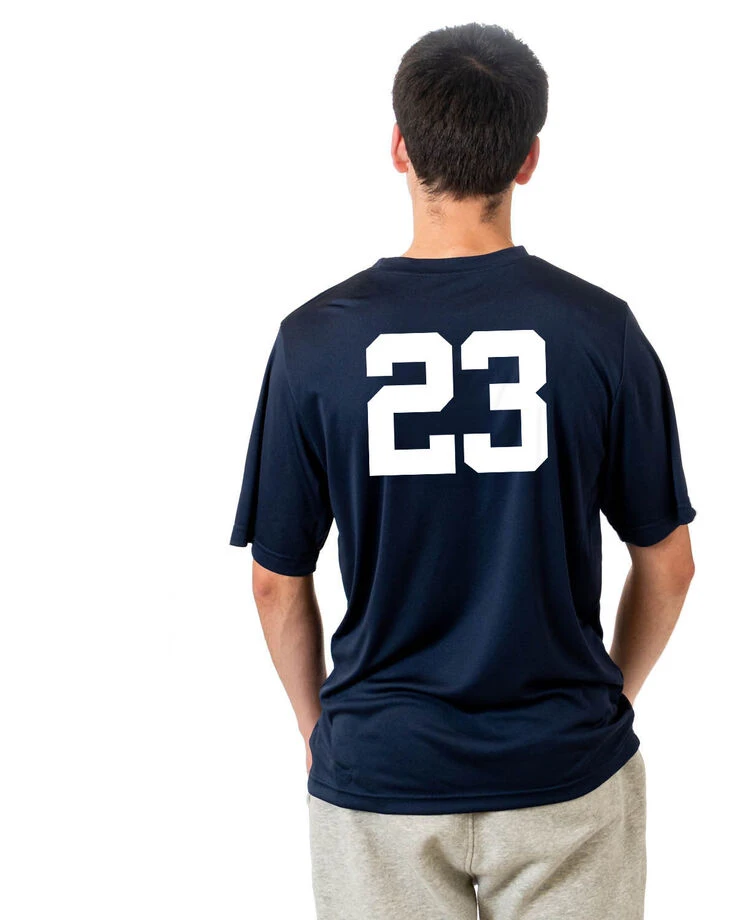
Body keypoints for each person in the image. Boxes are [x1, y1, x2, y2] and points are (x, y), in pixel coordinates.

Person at [229, 21, 696, 920]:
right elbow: (669, 565)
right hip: (565, 770)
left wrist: (324, 734)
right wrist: (602, 699)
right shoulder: (601, 331)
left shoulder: (313, 342)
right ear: (529, 159)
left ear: (398, 147)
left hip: (381, 773)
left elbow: (274, 583)